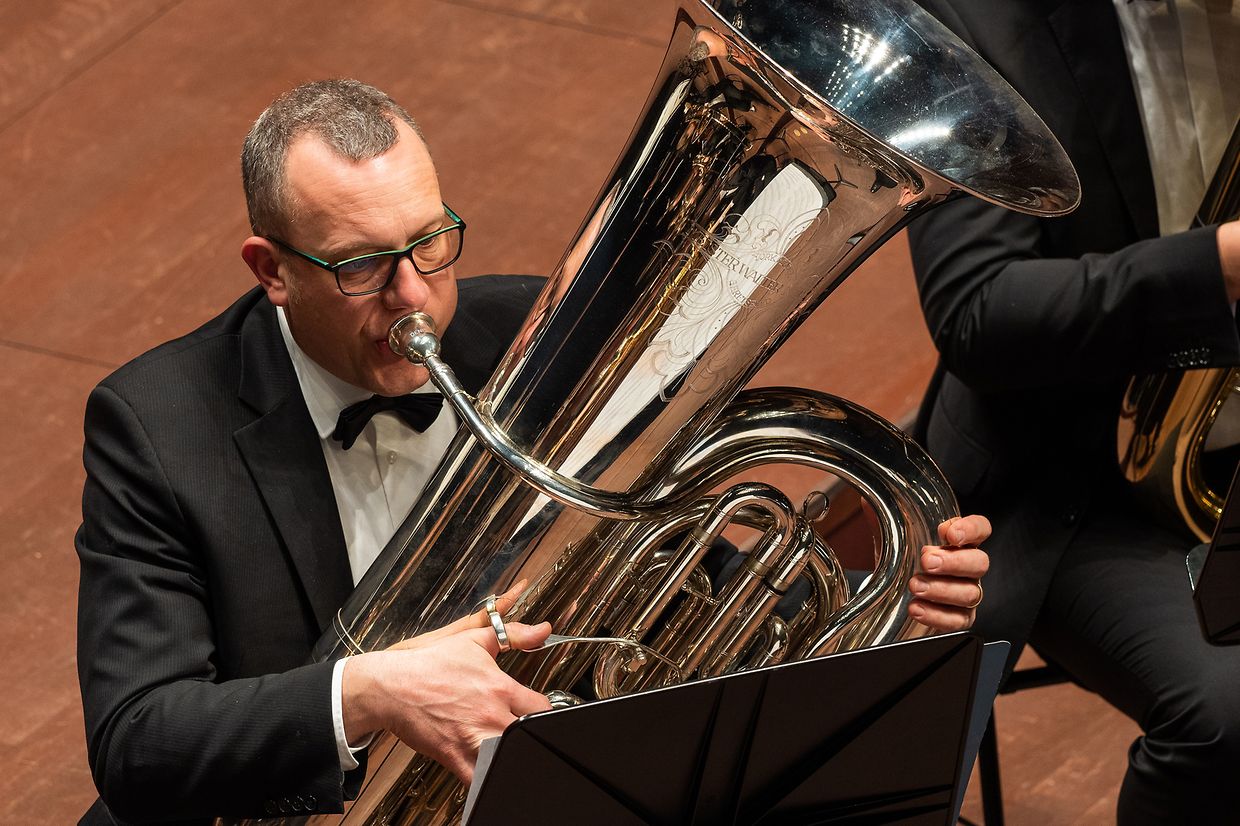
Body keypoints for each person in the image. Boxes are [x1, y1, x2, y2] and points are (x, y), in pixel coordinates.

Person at [76, 78, 991, 824]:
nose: (414, 299)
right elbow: (140, 742)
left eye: (431, 244)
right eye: (361, 267)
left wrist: (887, 613)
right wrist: (368, 691)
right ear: (271, 270)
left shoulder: (533, 339)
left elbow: (694, 598)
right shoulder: (160, 429)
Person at [907, 1, 1240, 823]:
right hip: (1075, 487)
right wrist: (1222, 266)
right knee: (1231, 714)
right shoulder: (985, 21)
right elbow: (979, 311)